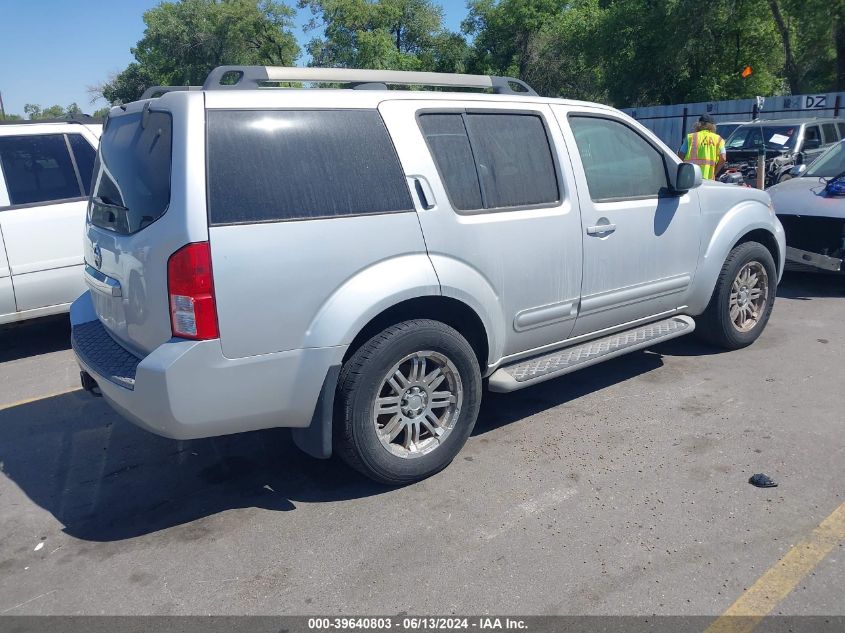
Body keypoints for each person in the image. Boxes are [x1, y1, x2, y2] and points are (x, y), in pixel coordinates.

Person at [678, 114, 726, 180]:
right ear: (713, 126)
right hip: (708, 179)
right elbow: (723, 158)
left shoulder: (690, 137)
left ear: (698, 125)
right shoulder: (718, 139)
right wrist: (714, 173)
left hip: (690, 178)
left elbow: (680, 156)